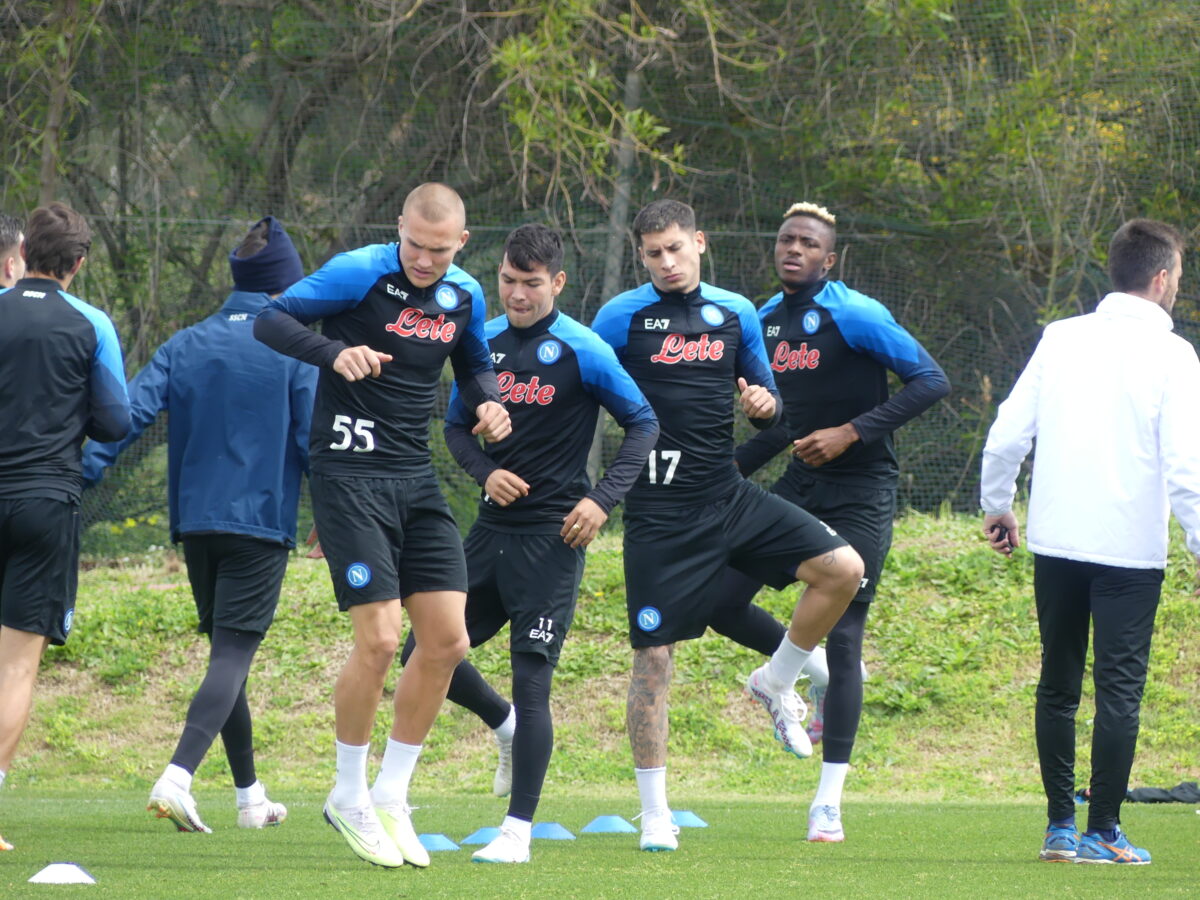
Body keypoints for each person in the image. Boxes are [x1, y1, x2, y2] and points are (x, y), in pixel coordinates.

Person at [590, 199, 864, 852]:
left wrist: (764, 404)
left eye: (676, 248)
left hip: (727, 496)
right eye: (654, 253)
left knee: (844, 569)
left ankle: (777, 678)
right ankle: (656, 813)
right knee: (652, 663)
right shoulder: (619, 318)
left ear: (700, 243)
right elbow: (580, 392)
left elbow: (771, 412)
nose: (666, 262)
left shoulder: (736, 312)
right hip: (656, 516)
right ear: (641, 256)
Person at [254, 183, 510, 869]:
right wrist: (331, 353)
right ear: (400, 229)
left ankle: (392, 795)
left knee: (448, 639)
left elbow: (476, 367)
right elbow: (270, 321)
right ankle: (347, 793)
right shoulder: (359, 271)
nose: (424, 260)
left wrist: (488, 406)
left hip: (413, 478)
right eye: (415, 245)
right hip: (346, 472)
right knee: (379, 639)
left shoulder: (465, 296)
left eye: (439, 249)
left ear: (463, 240)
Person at [398, 224, 658, 864]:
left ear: (558, 283)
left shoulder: (583, 348)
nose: (516, 294)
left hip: (553, 540)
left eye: (531, 284)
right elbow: (457, 430)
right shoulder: (479, 344)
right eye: (508, 282)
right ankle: (503, 726)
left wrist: (601, 500)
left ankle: (516, 833)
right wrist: (486, 473)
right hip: (489, 534)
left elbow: (645, 424)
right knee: (423, 651)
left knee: (531, 679)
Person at [723, 201, 950, 841]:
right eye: (785, 238)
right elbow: (784, 429)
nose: (793, 249)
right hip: (800, 484)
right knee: (719, 598)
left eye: (807, 242)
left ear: (830, 258)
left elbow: (931, 381)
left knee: (847, 637)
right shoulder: (762, 323)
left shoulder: (854, 312)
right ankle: (800, 674)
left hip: (863, 492)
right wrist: (724, 472)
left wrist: (852, 432)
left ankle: (828, 802)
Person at [82, 216, 316, 834]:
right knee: (234, 655)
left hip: (198, 526)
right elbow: (314, 441)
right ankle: (178, 775)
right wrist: (338, 518)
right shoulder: (296, 349)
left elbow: (125, 417)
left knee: (225, 656)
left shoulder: (184, 344)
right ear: (283, 286)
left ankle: (249, 797)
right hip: (261, 522)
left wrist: (76, 474)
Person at [981, 218, 1200, 866]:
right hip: (1130, 553)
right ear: (1161, 279)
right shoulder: (1174, 356)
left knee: (1058, 684)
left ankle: (1058, 827)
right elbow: (1187, 470)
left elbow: (1005, 435)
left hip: (1057, 541)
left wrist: (999, 507)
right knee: (1119, 690)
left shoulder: (1060, 338)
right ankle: (1103, 829)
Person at [0, 203, 130, 852]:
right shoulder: (91, 324)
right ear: (77, 264)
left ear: (21, 254)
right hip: (46, 500)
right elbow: (115, 421)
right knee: (16, 666)